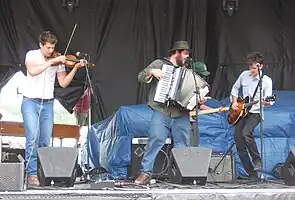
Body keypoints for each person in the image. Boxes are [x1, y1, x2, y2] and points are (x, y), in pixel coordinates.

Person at [136, 41, 206, 185]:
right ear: (177, 52)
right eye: (185, 53)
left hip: (181, 113)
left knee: (182, 144)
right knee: (155, 140)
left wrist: (198, 100)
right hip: (161, 110)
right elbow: (140, 77)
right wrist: (151, 72)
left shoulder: (188, 72)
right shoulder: (159, 64)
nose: (187, 57)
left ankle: (182, 175)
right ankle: (145, 173)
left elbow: (192, 94)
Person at [22, 31, 86, 187]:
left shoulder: (56, 61)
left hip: (48, 103)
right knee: (32, 138)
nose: (51, 51)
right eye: (48, 48)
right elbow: (32, 71)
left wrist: (75, 68)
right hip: (30, 102)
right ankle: (31, 175)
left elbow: (63, 83)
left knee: (45, 141)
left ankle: (42, 174)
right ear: (41, 45)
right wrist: (52, 62)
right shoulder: (31, 55)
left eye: (53, 48)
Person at [230, 52, 273, 179]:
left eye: (254, 67)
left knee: (246, 133)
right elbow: (234, 88)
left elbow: (269, 102)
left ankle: (256, 159)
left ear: (261, 66)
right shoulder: (244, 75)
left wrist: (266, 101)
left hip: (256, 112)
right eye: (250, 66)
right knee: (239, 144)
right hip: (242, 112)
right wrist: (234, 103)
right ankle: (251, 173)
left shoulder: (266, 81)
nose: (251, 70)